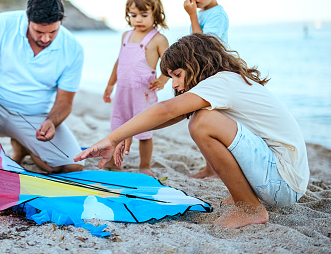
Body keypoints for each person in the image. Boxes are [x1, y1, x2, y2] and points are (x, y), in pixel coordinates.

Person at [74, 34, 309, 229]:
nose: (174, 84)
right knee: (199, 118)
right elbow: (175, 114)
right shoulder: (226, 82)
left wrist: (112, 137)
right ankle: (245, 196)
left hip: (282, 181)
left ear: (197, 63)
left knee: (202, 122)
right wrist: (128, 132)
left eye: (177, 74)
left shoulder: (222, 82)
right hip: (281, 179)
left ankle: (249, 207)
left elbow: (167, 109)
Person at [0, 0, 84, 173]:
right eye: (39, 31)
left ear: (61, 22)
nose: (46, 38)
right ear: (27, 18)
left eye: (53, 32)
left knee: (72, 165)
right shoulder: (4, 23)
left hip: (32, 117)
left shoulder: (74, 49)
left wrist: (51, 121)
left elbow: (65, 101)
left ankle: (24, 146)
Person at [103, 0, 169, 176]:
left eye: (144, 14)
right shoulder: (126, 36)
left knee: (144, 132)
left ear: (156, 14)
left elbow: (171, 64)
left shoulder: (158, 39)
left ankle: (144, 165)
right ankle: (115, 163)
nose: (138, 19)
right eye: (133, 15)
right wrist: (110, 84)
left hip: (143, 93)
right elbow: (120, 60)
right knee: (119, 127)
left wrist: (163, 79)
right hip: (123, 91)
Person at [182, 0, 229, 179]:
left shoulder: (217, 15)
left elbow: (204, 44)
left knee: (209, 121)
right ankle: (210, 168)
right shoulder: (202, 13)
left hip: (216, 74)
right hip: (204, 74)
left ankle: (215, 168)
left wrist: (192, 16)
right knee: (201, 120)